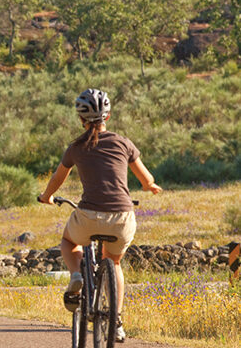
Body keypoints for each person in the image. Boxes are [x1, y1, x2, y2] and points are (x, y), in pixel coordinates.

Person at [38, 88, 162, 343]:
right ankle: (116, 321)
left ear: (81, 119)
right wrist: (150, 186)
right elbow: (146, 179)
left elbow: (58, 178)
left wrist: (47, 196)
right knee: (114, 262)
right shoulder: (123, 142)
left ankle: (76, 275)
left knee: (69, 241)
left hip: (88, 216)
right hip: (122, 219)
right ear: (108, 115)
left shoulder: (76, 147)